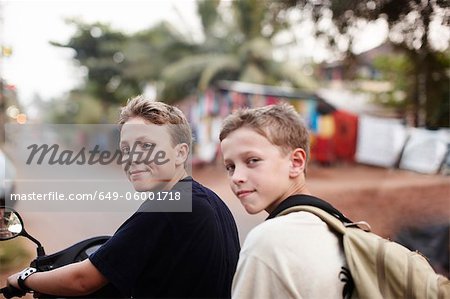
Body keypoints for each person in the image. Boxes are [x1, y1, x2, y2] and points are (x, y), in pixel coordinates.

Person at [8, 96, 240, 298]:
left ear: (180, 153)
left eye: (147, 146)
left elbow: (83, 279)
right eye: (126, 149)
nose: (133, 158)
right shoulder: (209, 200)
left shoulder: (168, 207)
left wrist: (23, 279)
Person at [219, 104, 349, 298]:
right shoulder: (335, 223)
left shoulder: (267, 241)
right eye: (230, 166)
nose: (237, 177)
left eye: (252, 160)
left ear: (296, 163)